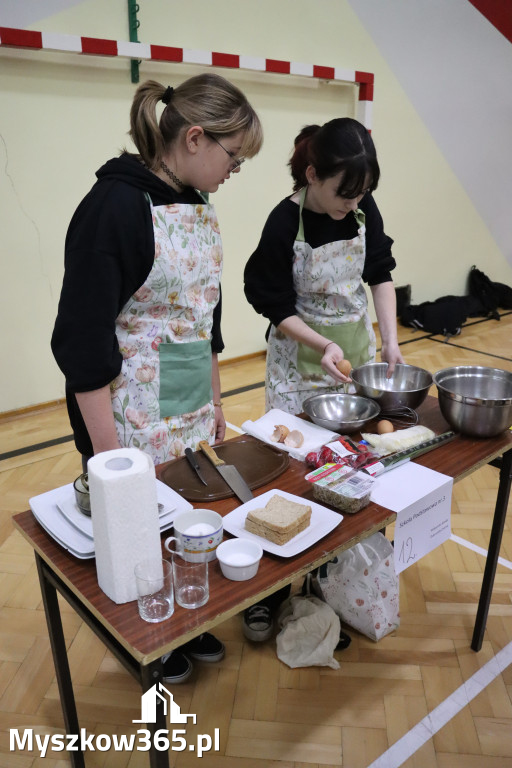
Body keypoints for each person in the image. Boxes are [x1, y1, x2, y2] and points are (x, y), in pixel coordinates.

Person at [52, 75, 263, 681]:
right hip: (130, 415)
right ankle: (151, 639)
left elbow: (205, 317)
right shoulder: (113, 208)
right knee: (137, 532)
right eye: (233, 157)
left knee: (186, 520)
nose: (233, 171)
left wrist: (216, 403)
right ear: (195, 138)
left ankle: (185, 623)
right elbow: (81, 343)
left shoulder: (197, 204)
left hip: (191, 402)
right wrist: (107, 459)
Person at [242, 117, 403, 641]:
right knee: (288, 479)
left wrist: (392, 341)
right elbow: (270, 301)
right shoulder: (281, 224)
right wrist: (321, 343)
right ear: (312, 174)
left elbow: (379, 272)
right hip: (298, 368)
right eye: (343, 193)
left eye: (362, 195)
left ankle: (327, 583)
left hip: (351, 362)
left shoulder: (361, 209)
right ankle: (265, 594)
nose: (353, 205)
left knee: (345, 476)